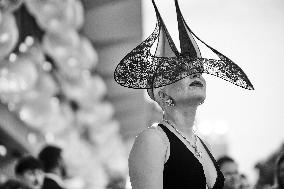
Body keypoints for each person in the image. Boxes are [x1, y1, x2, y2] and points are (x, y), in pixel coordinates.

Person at [113, 0, 254, 188]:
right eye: (182, 72)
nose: (196, 74)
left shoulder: (204, 146)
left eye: (197, 70)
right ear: (162, 95)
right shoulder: (153, 140)